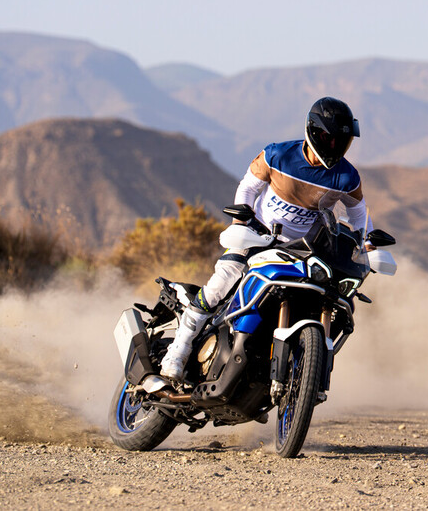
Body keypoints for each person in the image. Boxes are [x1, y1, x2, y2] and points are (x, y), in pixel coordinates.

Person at [159, 96, 372, 382]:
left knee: (328, 299)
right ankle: (178, 351)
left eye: (341, 141)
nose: (334, 146)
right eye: (328, 138)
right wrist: (241, 223)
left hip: (306, 251)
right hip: (258, 236)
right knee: (223, 280)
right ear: (313, 131)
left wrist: (364, 244)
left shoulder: (347, 177)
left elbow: (358, 213)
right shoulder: (277, 155)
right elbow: (248, 187)